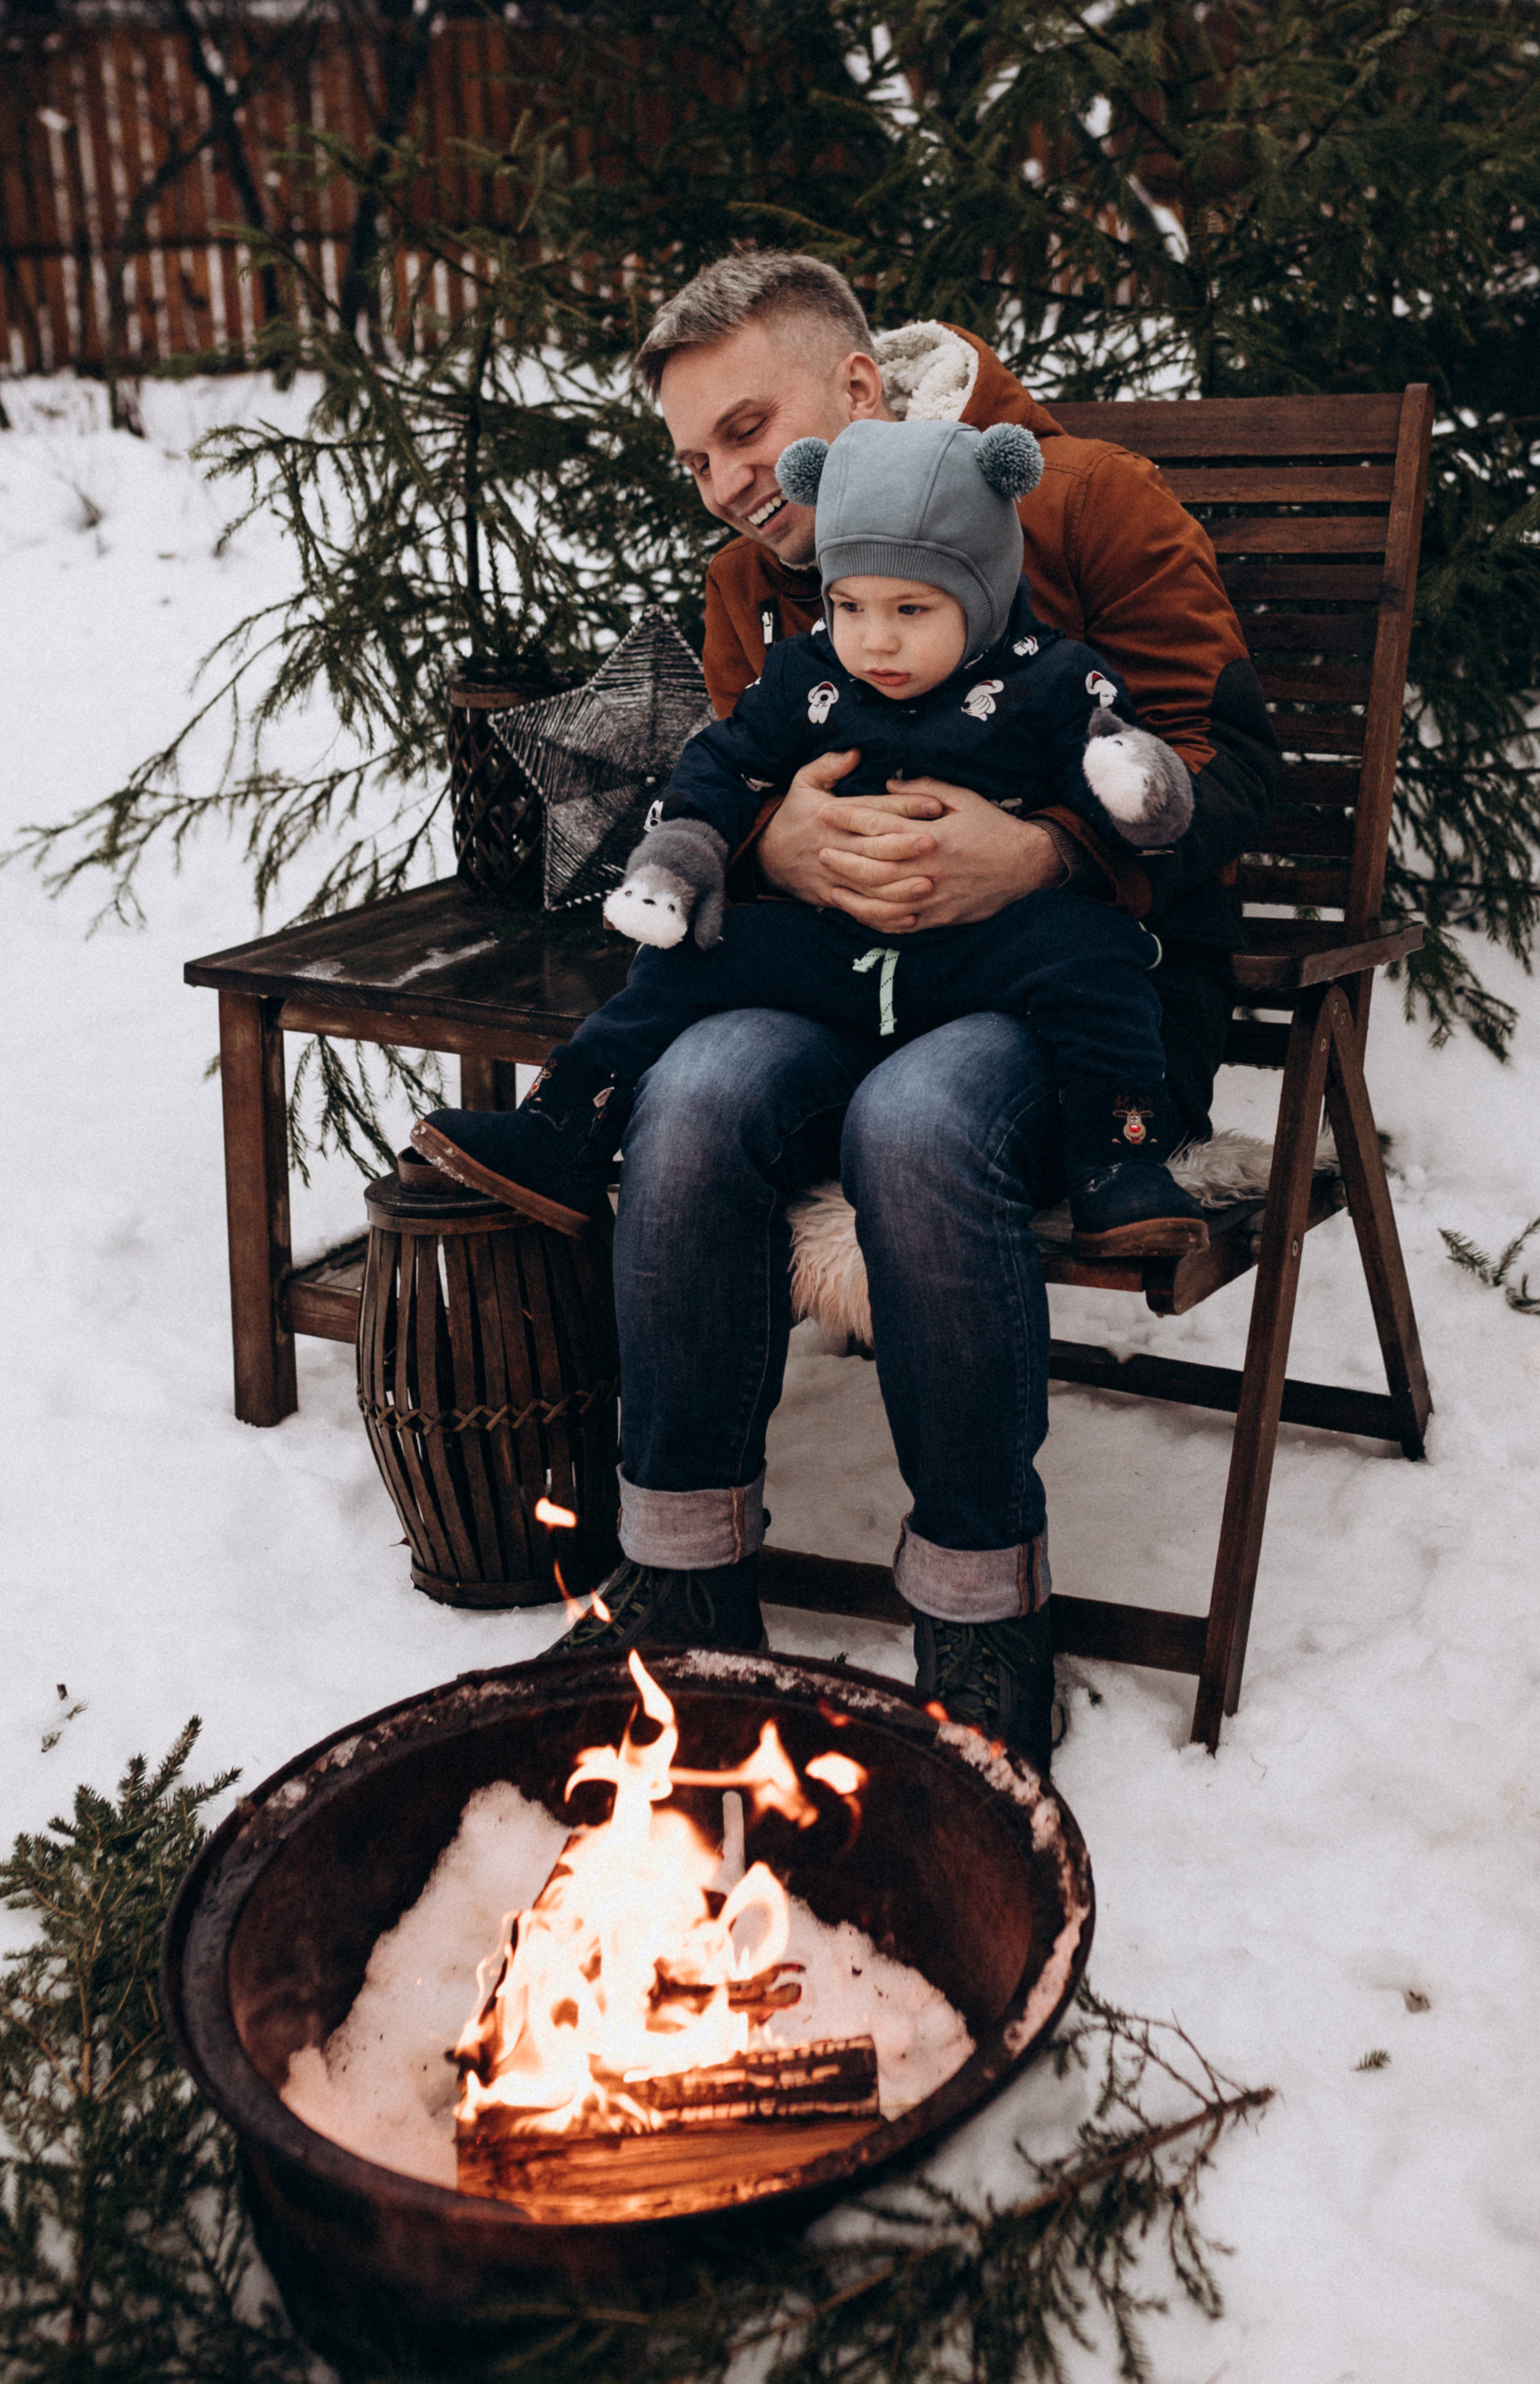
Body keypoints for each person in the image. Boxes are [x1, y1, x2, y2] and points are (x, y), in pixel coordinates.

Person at [459, 254, 1279, 1772]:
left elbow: (1222, 776)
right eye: (692, 459)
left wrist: (1043, 849)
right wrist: (763, 846)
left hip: (1073, 996)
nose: (720, 486)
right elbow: (724, 798)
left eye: (745, 431)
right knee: (694, 1097)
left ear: (855, 391)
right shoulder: (748, 588)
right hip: (835, 976)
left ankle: (978, 1606)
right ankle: (684, 1581)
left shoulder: (1089, 501)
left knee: (912, 1122)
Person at [415, 414, 1209, 1268]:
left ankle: (1117, 1160)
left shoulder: (1048, 675)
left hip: (986, 950)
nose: (876, 639)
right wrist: (688, 852)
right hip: (831, 947)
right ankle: (562, 1128)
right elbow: (726, 760)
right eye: (849, 604)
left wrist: (1134, 784)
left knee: (1096, 951)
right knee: (686, 958)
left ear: (982, 591)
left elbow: (1116, 753)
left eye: (913, 608)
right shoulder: (808, 673)